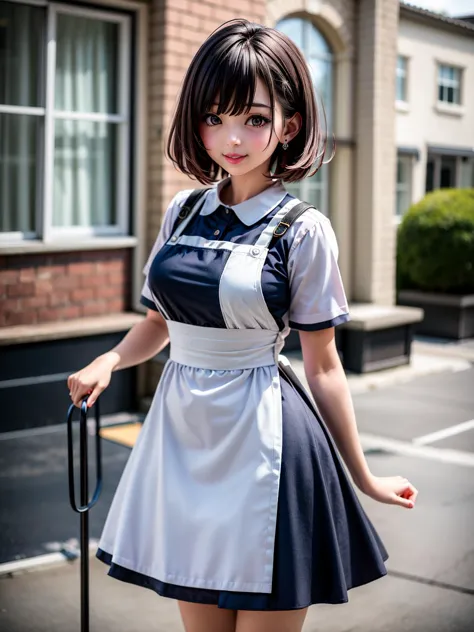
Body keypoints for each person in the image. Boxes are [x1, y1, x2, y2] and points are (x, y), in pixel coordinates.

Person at [67, 18, 418, 632]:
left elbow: (325, 365)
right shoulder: (183, 210)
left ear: (290, 125)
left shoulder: (303, 229)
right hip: (182, 436)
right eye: (214, 116)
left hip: (267, 442)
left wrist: (362, 475)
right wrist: (111, 359)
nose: (232, 138)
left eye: (254, 119)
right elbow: (161, 322)